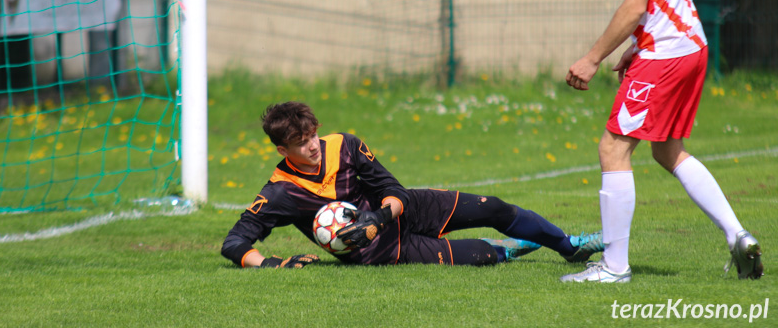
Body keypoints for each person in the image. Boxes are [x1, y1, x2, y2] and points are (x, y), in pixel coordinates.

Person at [561, 0, 763, 283]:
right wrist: (636, 42)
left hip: (666, 56)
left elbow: (635, 4)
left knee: (613, 149)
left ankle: (614, 268)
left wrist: (592, 58)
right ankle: (738, 235)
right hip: (690, 47)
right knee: (667, 150)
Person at [221, 101, 604, 269]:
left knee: (494, 208)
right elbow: (234, 243)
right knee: (483, 257)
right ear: (281, 148)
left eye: (311, 135)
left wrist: (379, 215)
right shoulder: (279, 191)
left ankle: (568, 246)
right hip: (384, 250)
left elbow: (394, 189)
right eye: (300, 143)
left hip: (404, 210)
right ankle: (508, 247)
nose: (311, 146)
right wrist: (270, 263)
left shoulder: (345, 146)